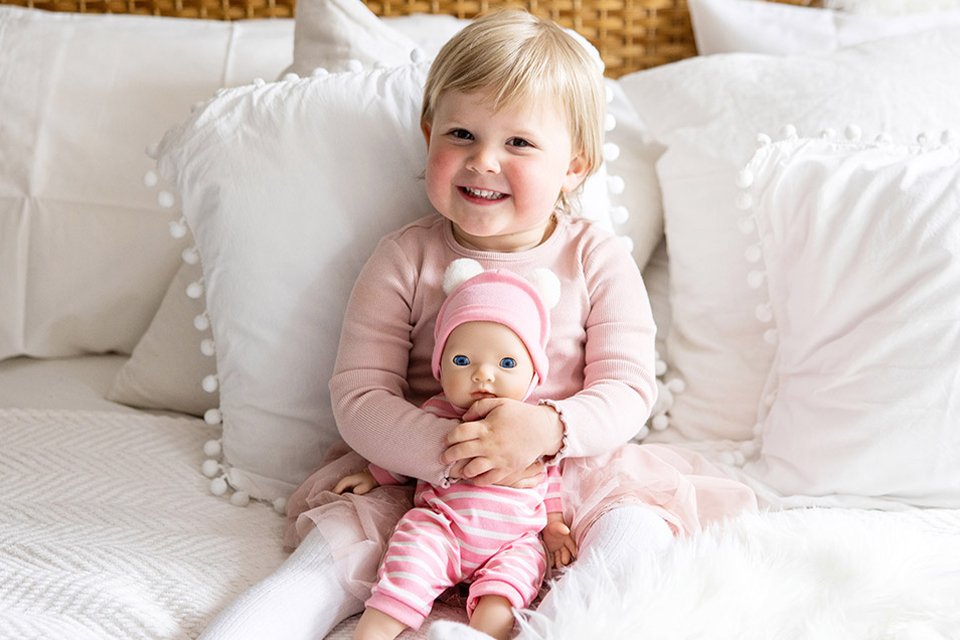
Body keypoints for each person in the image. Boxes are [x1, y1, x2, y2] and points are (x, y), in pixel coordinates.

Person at [199, 9, 757, 640]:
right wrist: (457, 453)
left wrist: (547, 428)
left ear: (575, 165)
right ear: (429, 133)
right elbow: (360, 396)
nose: (483, 161)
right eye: (462, 134)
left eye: (518, 143)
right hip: (423, 479)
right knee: (327, 562)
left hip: (567, 473)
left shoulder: (594, 256)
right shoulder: (405, 257)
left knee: (633, 536)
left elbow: (628, 389)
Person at [333, 260, 576, 640]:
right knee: (408, 561)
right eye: (462, 361)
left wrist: (556, 525)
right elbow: (405, 455)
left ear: (533, 374)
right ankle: (373, 632)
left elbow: (551, 479)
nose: (483, 375)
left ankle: (480, 634)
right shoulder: (435, 415)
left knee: (509, 590)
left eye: (507, 363)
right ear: (440, 369)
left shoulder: (530, 425)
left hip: (512, 542)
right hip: (441, 528)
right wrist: (372, 475)